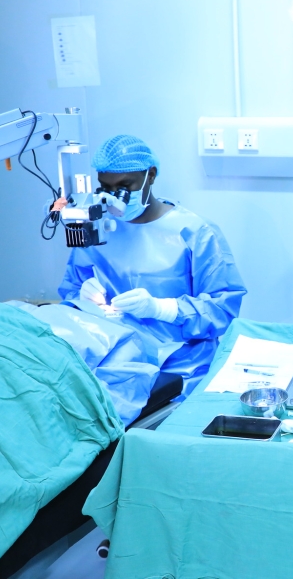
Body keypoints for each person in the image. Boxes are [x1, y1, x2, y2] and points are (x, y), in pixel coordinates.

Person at [59, 134, 246, 397]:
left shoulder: (194, 232)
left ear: (152, 175)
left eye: (125, 186)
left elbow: (223, 309)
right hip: (110, 364)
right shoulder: (98, 228)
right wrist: (81, 298)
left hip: (178, 370)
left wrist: (164, 309)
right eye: (106, 188)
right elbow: (70, 292)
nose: (115, 198)